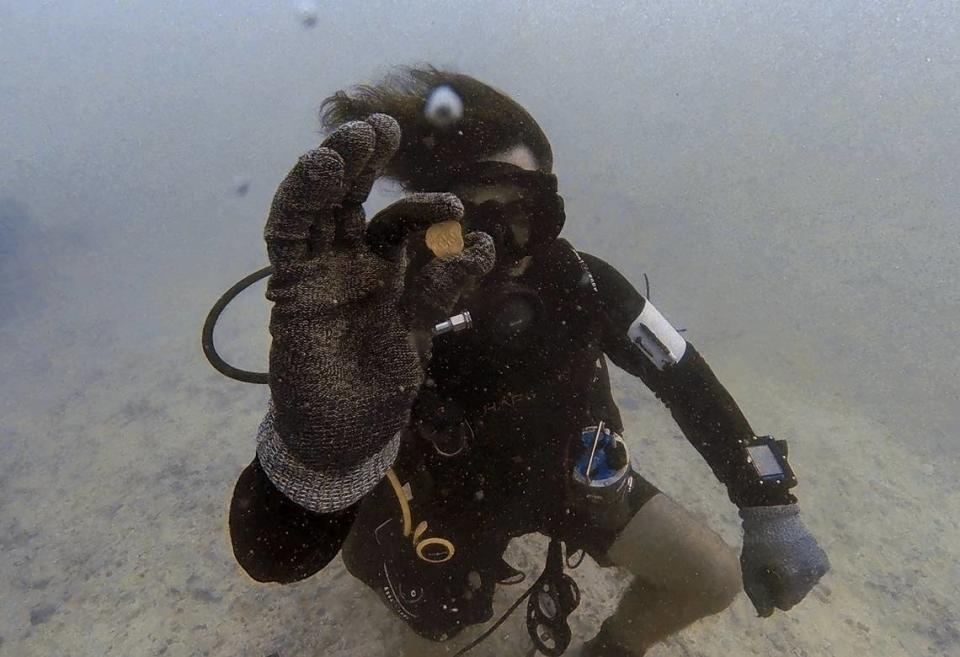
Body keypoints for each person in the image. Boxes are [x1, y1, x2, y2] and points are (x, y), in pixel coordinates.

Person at [226, 67, 830, 656]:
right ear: (430, 215)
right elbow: (272, 557)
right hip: (440, 507)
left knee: (710, 578)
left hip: (566, 482)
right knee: (441, 626)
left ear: (550, 210)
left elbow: (683, 376)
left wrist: (766, 500)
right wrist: (315, 465)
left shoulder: (584, 283)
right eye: (472, 217)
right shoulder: (384, 311)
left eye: (521, 212)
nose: (499, 245)